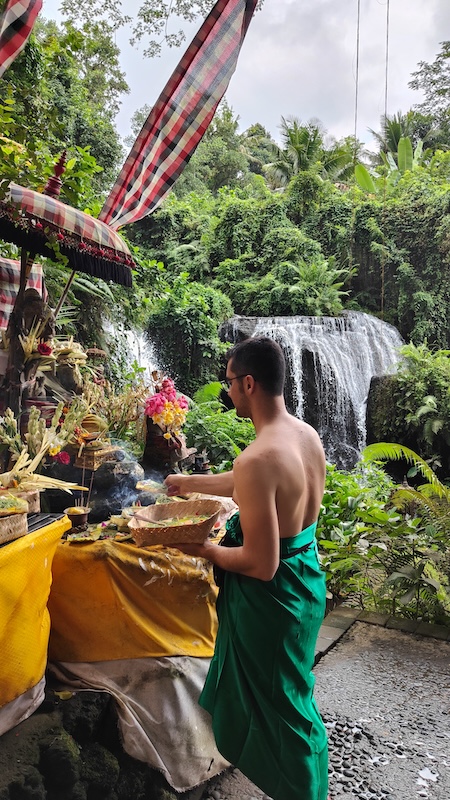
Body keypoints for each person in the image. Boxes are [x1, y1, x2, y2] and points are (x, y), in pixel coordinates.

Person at [164, 336, 328, 800]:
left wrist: (204, 550)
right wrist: (189, 483)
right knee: (295, 700)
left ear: (249, 383)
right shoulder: (302, 436)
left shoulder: (257, 457)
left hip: (270, 601)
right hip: (305, 583)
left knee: (281, 713)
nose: (227, 390)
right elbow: (254, 484)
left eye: (230, 382)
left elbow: (259, 563)